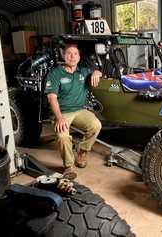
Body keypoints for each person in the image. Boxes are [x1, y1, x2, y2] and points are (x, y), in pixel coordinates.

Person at [45, 43, 102, 179]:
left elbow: (99, 72)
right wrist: (59, 118)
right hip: (62, 112)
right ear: (64, 56)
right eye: (69, 53)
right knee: (62, 136)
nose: (72, 56)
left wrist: (96, 72)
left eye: (75, 53)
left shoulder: (83, 71)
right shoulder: (55, 73)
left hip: (80, 110)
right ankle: (68, 165)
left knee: (96, 125)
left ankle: (82, 151)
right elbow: (52, 98)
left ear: (79, 56)